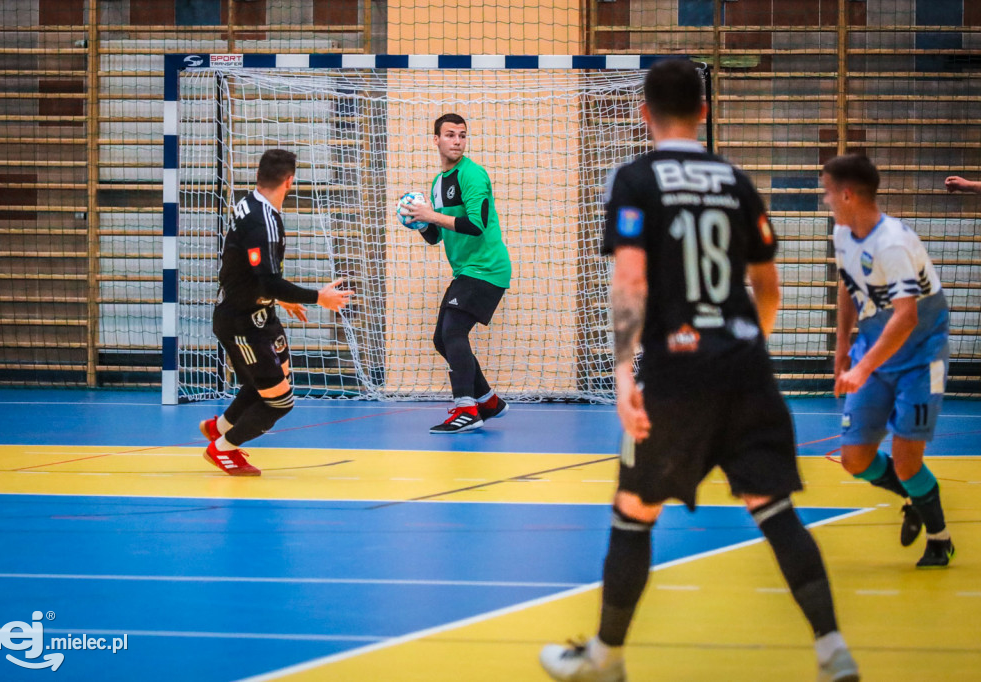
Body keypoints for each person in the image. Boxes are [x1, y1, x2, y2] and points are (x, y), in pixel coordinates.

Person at [539, 59, 858, 682]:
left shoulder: (635, 179)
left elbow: (631, 281)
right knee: (775, 511)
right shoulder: (736, 181)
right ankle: (833, 651)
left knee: (634, 512)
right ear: (705, 112)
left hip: (675, 377)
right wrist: (742, 344)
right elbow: (768, 285)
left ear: (643, 115)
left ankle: (604, 658)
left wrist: (625, 374)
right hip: (745, 371)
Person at [825, 153, 954, 567]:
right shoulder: (843, 233)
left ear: (847, 194)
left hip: (919, 353)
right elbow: (847, 285)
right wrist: (843, 347)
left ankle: (940, 538)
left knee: (906, 460)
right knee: (854, 459)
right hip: (874, 346)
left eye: (828, 193)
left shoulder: (892, 243)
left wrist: (861, 368)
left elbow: (907, 316)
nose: (825, 201)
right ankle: (914, 498)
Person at [199, 149, 353, 476]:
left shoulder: (251, 204)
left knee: (266, 384)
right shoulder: (262, 221)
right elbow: (267, 281)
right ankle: (223, 449)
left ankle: (220, 427)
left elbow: (243, 268)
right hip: (242, 323)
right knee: (280, 402)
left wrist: (279, 299)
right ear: (289, 181)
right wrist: (318, 297)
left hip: (258, 314)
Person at [401, 113, 513, 434]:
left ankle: (466, 408)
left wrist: (431, 214)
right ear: (435, 139)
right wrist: (420, 222)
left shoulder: (473, 175)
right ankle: (488, 401)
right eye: (450, 135)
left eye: (462, 135)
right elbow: (437, 236)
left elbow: (475, 225)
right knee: (442, 339)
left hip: (487, 268)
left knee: (453, 333)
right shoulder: (437, 184)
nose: (457, 141)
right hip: (467, 271)